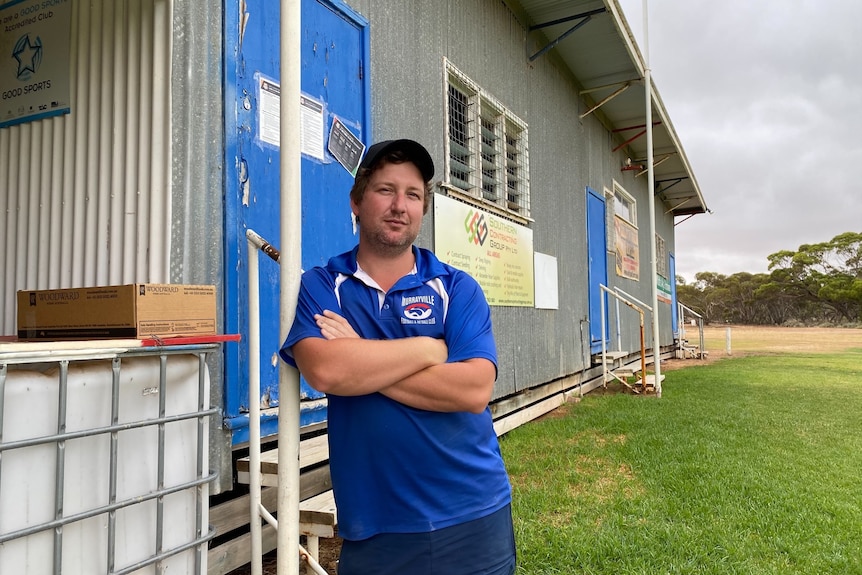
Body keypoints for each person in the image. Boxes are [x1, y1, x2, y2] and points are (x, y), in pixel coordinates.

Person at [279, 139, 516, 575]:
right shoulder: (323, 285)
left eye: (413, 195)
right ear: (356, 201)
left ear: (423, 209)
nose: (399, 206)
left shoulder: (456, 287)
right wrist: (429, 350)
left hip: (472, 513)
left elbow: (474, 389)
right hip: (377, 525)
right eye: (386, 190)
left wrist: (361, 358)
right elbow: (327, 369)